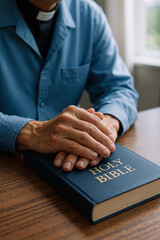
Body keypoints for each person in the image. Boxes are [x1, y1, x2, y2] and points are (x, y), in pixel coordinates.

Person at [0, 0, 138, 172]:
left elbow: (119, 88)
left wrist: (103, 127)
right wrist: (30, 133)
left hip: (69, 161)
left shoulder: (89, 14)